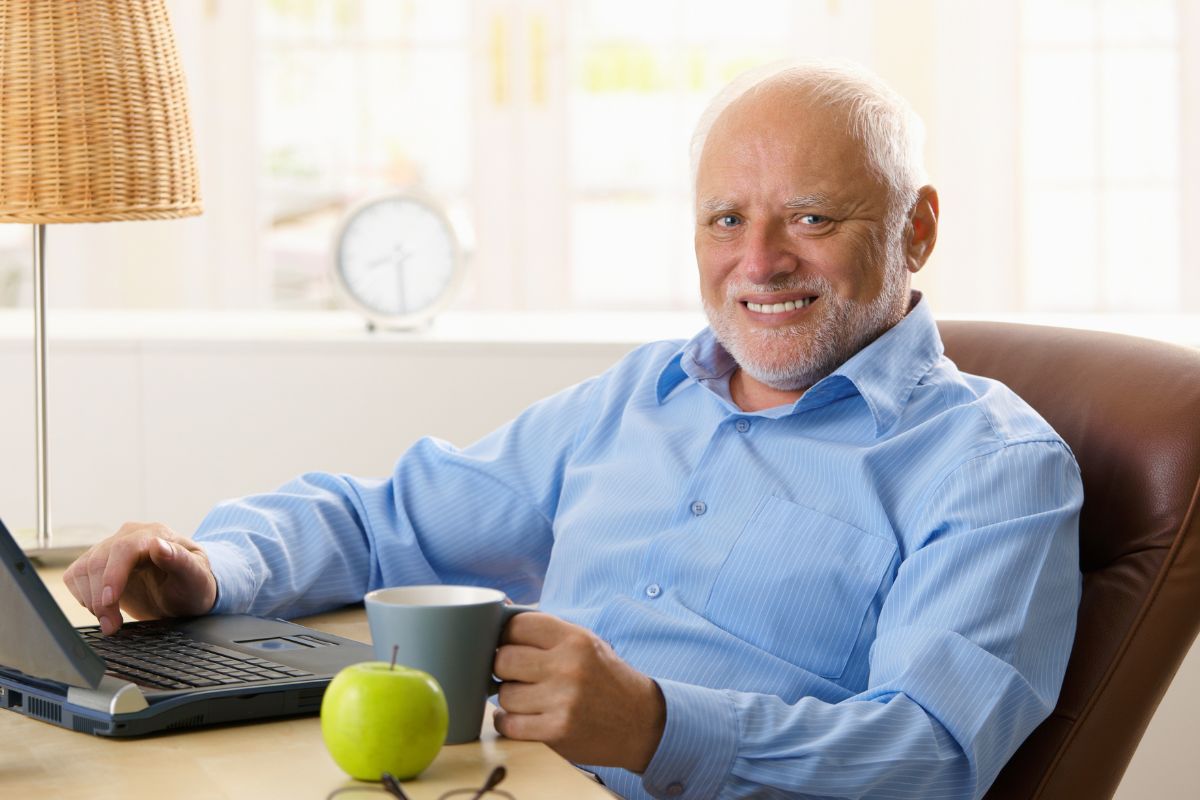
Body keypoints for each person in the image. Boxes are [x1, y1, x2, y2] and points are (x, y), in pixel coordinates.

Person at [64, 60, 1082, 800]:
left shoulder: (995, 469)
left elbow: (934, 752)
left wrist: (656, 724)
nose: (760, 261)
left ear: (917, 227)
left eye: (812, 218)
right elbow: (385, 521)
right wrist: (214, 568)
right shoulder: (646, 393)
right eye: (727, 219)